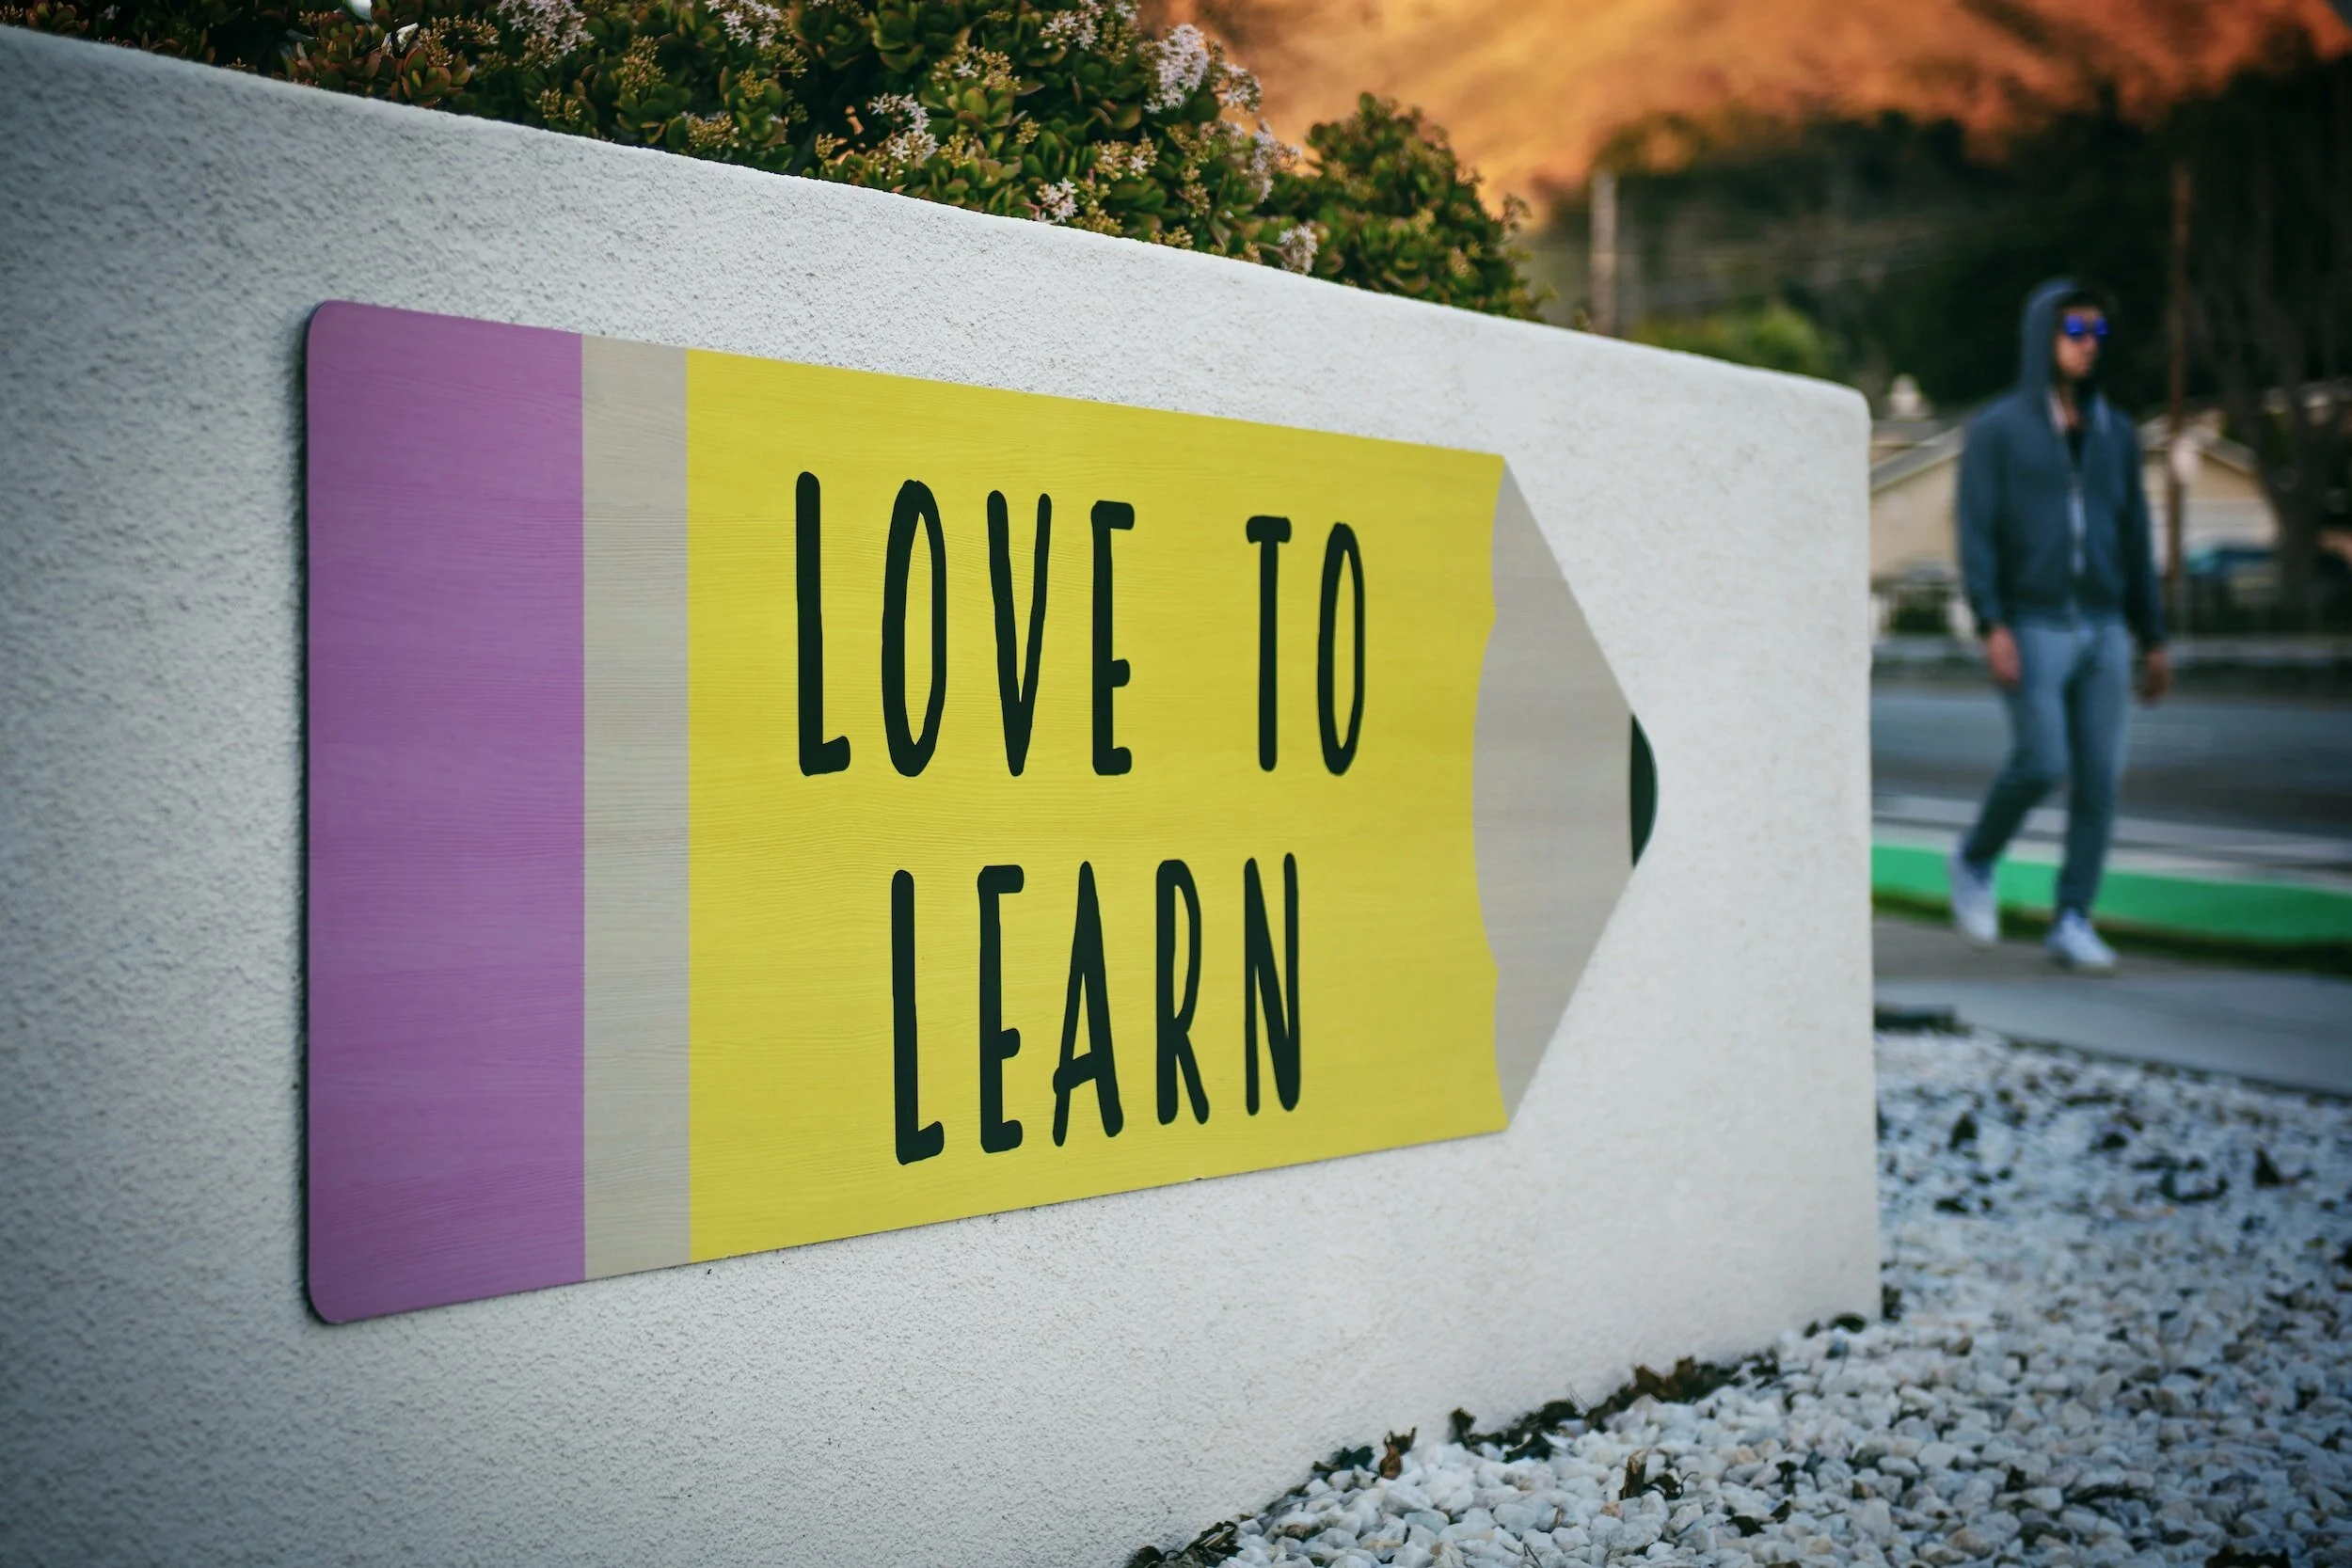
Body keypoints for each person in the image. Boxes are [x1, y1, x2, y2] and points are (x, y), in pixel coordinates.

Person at [1948, 278, 2170, 972]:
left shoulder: (2117, 432)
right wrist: (1992, 621)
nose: (2087, 345)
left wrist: (2153, 635)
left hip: (2104, 624)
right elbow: (1976, 530)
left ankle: (2073, 916)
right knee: (2043, 760)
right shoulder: (1998, 430)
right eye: (2074, 330)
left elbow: (2135, 536)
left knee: (2099, 781)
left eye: (2098, 333)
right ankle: (1975, 858)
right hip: (2032, 621)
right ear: (2042, 335)